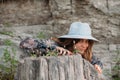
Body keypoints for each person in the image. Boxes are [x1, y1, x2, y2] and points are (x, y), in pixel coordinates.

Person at [19, 22, 103, 74]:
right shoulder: (57, 44)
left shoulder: (86, 53)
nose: (84, 45)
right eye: (81, 41)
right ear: (71, 40)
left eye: (87, 41)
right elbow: (25, 42)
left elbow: (98, 62)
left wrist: (97, 66)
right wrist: (53, 48)